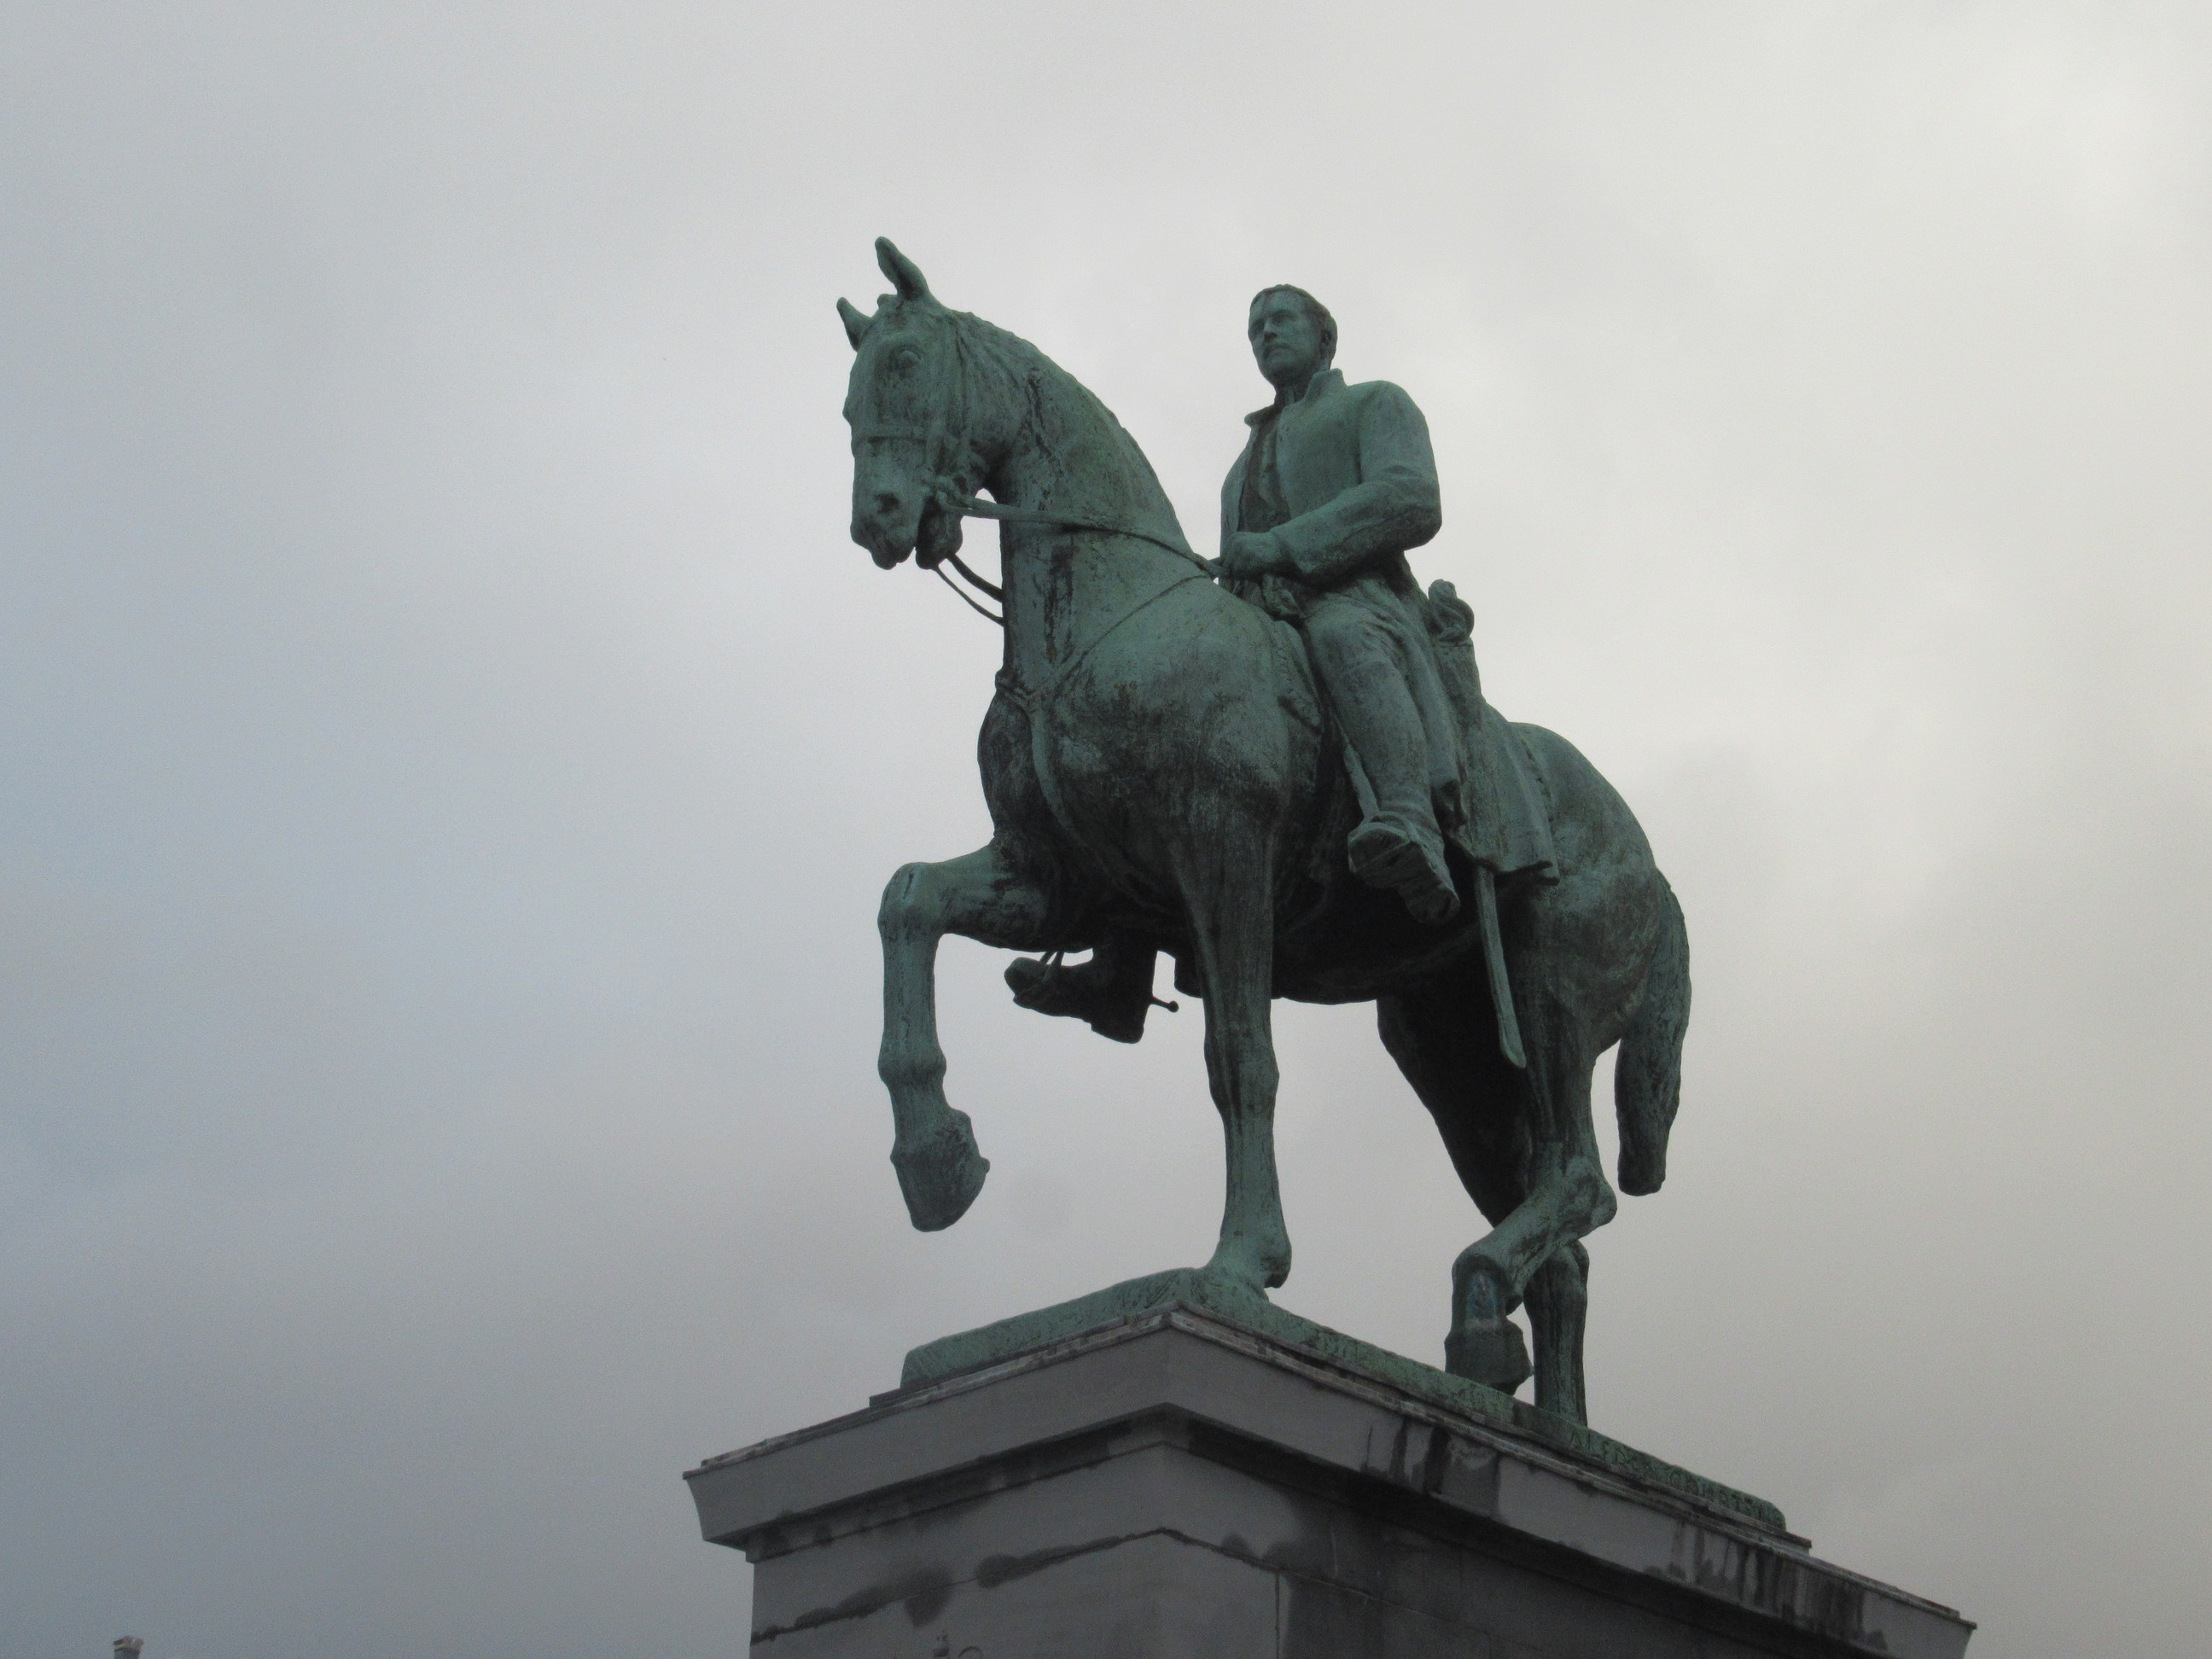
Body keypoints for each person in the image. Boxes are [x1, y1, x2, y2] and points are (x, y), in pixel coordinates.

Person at [1219, 285, 1461, 925]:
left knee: (1342, 635)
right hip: (1258, 616)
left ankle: (1411, 820)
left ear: (1323, 337)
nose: (1266, 335)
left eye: (1280, 321)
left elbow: (1411, 497)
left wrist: (1283, 545)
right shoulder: (1239, 466)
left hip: (1357, 598)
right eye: (1255, 329)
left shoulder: (1375, 403)